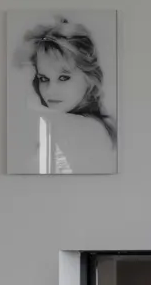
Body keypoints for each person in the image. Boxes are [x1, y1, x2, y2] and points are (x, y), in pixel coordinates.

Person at [12, 16, 116, 173]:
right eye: (43, 78)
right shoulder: (100, 124)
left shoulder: (80, 127)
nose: (49, 91)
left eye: (63, 78)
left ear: (89, 78)